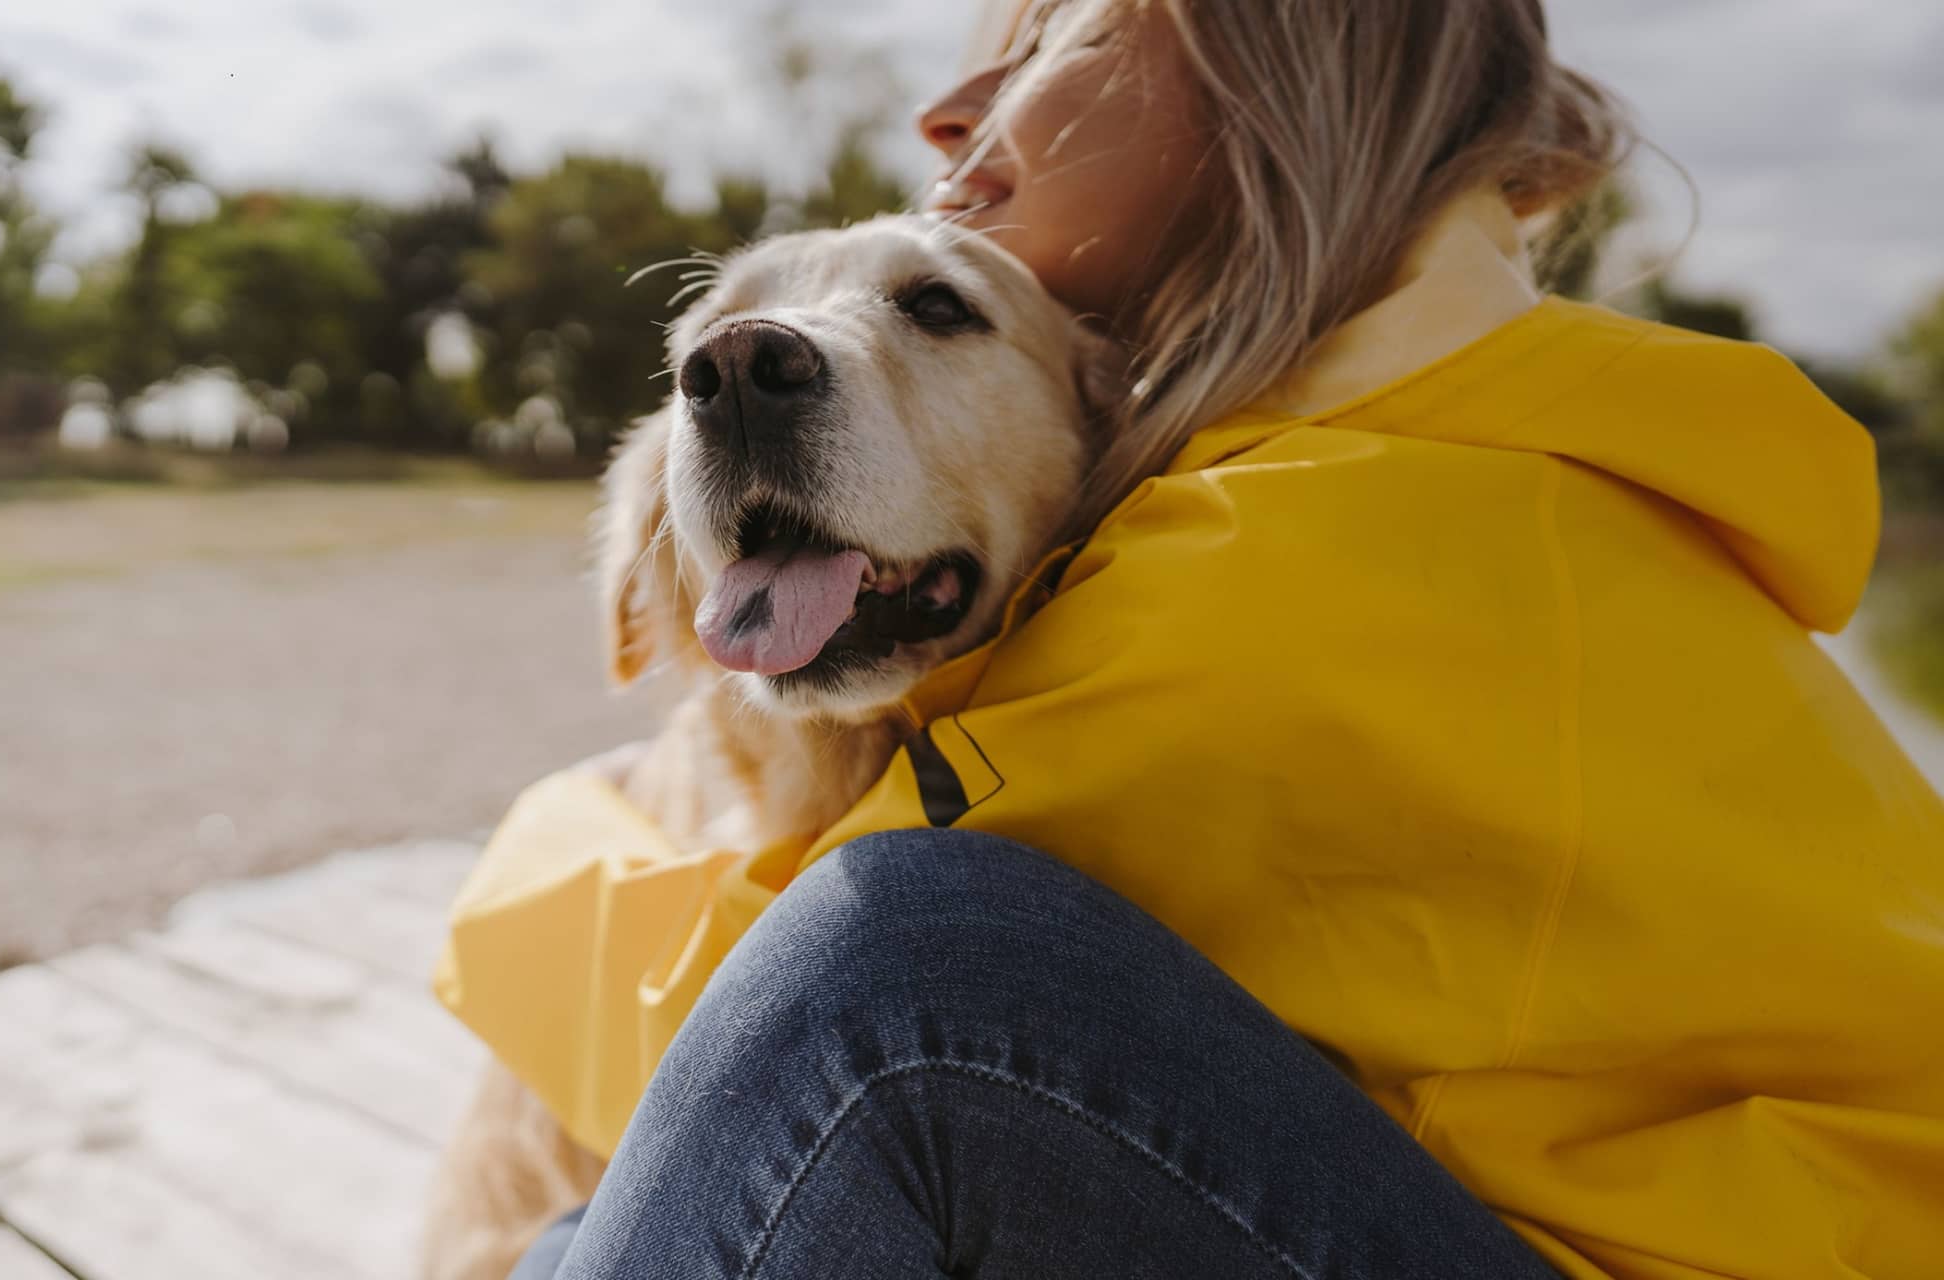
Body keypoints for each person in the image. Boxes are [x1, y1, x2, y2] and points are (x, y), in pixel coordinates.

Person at [463, 1, 1944, 1275]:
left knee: (905, 961)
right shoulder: (1454, 429)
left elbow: (752, 1030)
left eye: (1061, 33)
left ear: (1268, 88)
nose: (950, 107)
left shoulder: (1304, 538)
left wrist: (521, 866)